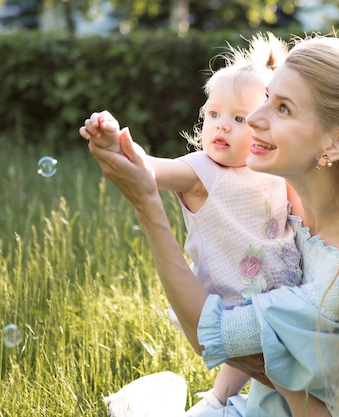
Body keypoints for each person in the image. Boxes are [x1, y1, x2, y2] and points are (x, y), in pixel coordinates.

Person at [83, 33, 339, 417]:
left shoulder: (338, 278)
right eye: (267, 98)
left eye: (283, 109)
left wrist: (146, 204)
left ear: (336, 144)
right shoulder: (303, 207)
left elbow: (210, 335)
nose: (254, 118)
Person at [81, 34, 304, 413]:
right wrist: (118, 144)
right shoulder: (204, 170)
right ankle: (216, 401)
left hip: (279, 295)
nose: (221, 126)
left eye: (239, 118)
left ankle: (235, 401)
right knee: (246, 357)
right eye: (213, 114)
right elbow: (151, 170)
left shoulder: (275, 170)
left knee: (279, 374)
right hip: (232, 300)